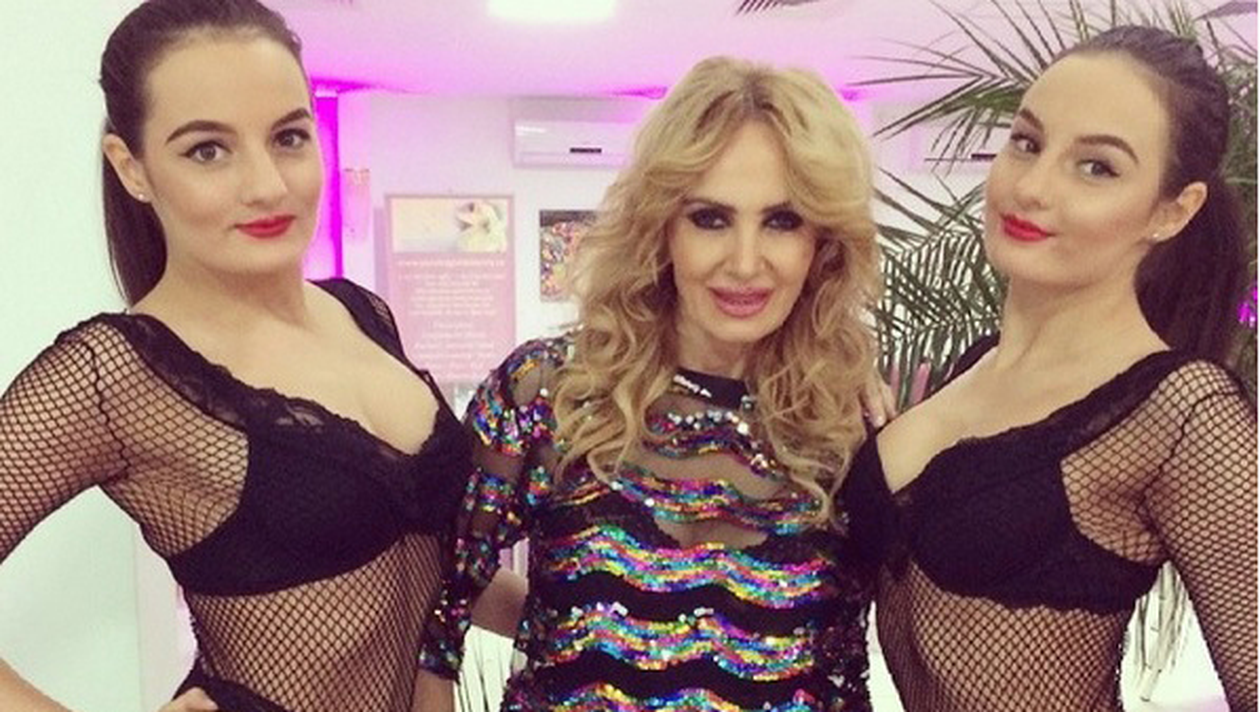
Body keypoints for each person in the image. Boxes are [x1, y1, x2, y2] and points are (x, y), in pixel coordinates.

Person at [0, 1, 521, 710]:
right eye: (207, 150)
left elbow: (440, 563)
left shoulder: (363, 314)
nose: (268, 186)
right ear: (132, 168)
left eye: (289, 137)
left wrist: (623, 610)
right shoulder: (119, 375)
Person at [416, 55, 882, 712]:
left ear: (822, 243)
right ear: (661, 226)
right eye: (710, 218)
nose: (744, 262)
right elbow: (435, 618)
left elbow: (854, 675)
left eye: (782, 220)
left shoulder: (847, 427)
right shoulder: (551, 395)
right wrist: (564, 625)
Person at [840, 25, 1257, 712]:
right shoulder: (972, 369)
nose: (1032, 187)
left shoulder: (1180, 409)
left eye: (1096, 167)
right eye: (1027, 143)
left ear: (1171, 211)